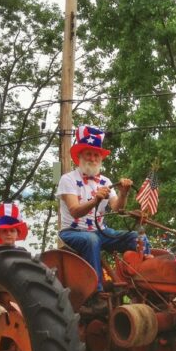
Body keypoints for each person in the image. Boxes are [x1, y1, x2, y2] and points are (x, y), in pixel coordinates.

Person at [56, 125, 150, 291]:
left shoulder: (105, 181)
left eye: (96, 155)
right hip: (73, 232)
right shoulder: (67, 179)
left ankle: (144, 285)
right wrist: (95, 200)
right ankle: (96, 292)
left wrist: (123, 193)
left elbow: (117, 207)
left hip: (101, 231)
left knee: (138, 237)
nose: (93, 158)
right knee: (91, 240)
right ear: (79, 156)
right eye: (88, 154)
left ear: (100, 158)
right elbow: (74, 211)